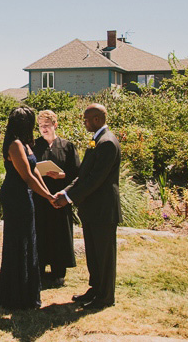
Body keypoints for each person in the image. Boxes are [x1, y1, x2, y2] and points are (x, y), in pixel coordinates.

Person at [52, 103, 121, 310]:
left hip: (103, 209)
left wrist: (68, 198)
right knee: (93, 253)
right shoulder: (97, 140)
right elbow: (84, 175)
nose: (84, 122)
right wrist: (64, 192)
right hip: (92, 209)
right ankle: (95, 288)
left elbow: (95, 180)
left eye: (87, 119)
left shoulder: (107, 142)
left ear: (98, 120)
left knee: (104, 255)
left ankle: (106, 296)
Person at [0, 105, 55, 310]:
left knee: (29, 239)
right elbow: (26, 177)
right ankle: (16, 293)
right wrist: (47, 196)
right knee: (19, 241)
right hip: (15, 195)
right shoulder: (15, 145)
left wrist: (48, 194)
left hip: (24, 194)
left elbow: (35, 171)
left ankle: (26, 289)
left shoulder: (26, 144)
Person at [31, 110, 80, 289]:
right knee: (41, 231)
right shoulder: (35, 145)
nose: (43, 129)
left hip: (60, 196)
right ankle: (40, 270)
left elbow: (77, 174)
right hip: (41, 196)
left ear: (55, 125)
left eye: (47, 125)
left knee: (59, 233)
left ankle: (59, 272)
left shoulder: (67, 146)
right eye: (41, 126)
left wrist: (61, 176)